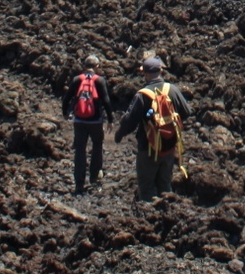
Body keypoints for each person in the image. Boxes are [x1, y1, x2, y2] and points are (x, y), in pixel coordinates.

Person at [116, 54, 190, 200]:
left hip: (148, 147)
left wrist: (119, 134)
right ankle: (167, 216)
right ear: (161, 71)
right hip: (169, 146)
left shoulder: (142, 95)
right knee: (165, 185)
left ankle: (149, 217)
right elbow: (187, 112)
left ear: (146, 74)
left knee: (147, 187)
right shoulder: (172, 89)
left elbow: (129, 122)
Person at [63, 54, 114, 195]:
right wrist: (110, 119)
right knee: (97, 147)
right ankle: (94, 179)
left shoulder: (77, 79)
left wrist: (65, 113)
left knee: (80, 150)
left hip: (79, 121)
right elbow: (106, 101)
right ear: (97, 67)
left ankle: (79, 183)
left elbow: (66, 98)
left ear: (84, 66)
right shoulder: (100, 80)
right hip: (95, 121)